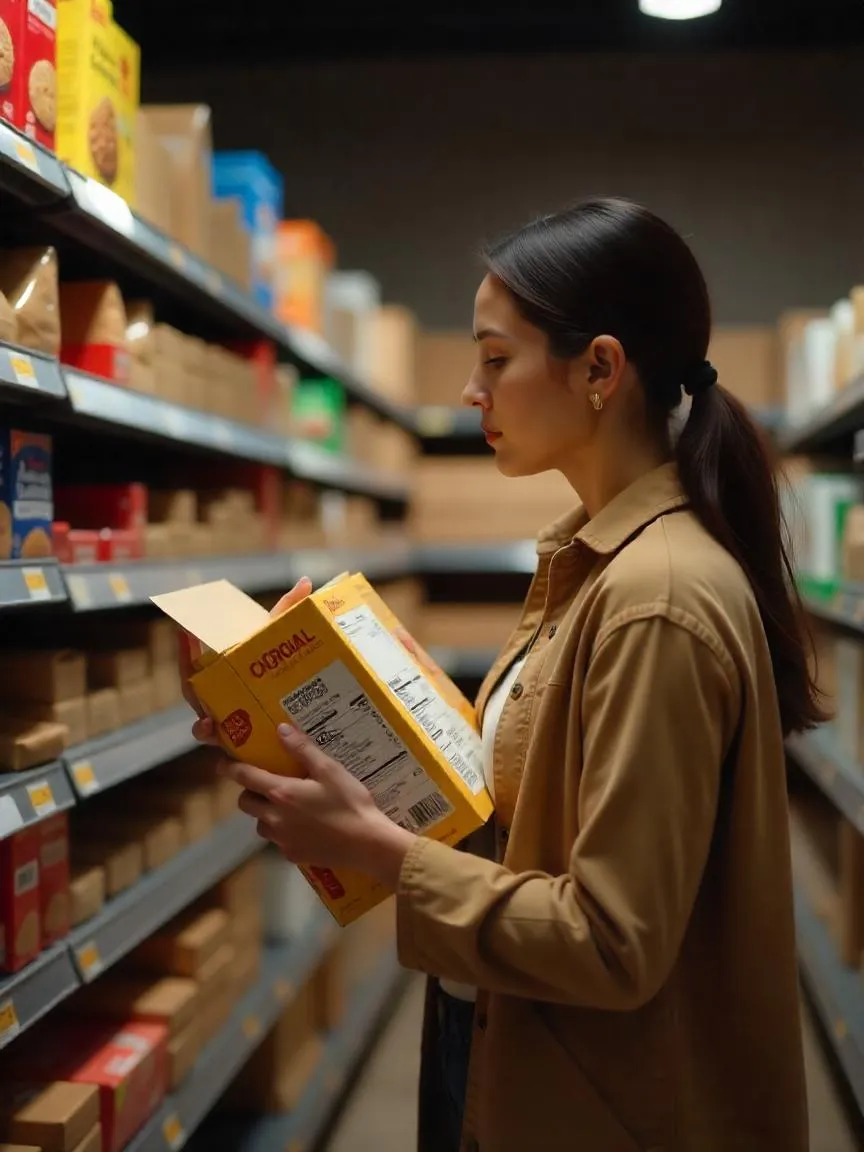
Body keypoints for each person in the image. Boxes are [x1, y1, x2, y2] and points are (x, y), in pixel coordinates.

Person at [183, 198, 824, 1152]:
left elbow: (614, 942)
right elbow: (532, 822)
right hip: (506, 1040)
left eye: (495, 359)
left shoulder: (657, 599)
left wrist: (380, 854)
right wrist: (328, 714)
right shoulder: (594, 563)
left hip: (595, 1102)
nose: (470, 393)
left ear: (599, 368)